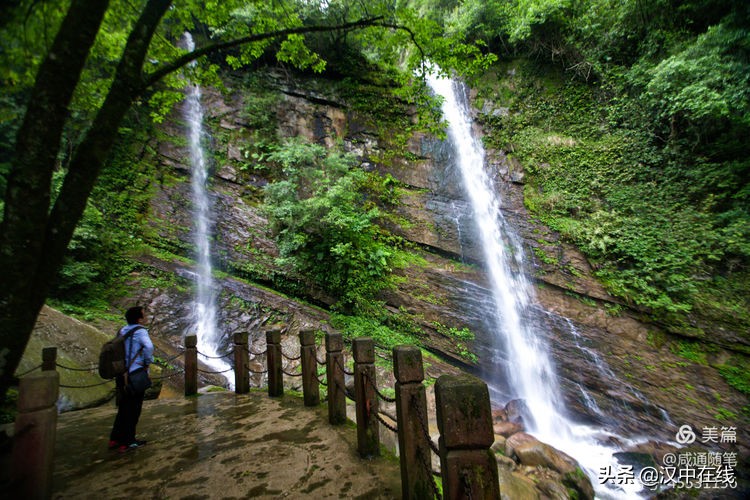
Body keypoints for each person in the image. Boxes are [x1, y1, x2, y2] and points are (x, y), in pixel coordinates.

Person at [108, 306, 154, 453]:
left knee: (123, 407)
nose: (146, 316)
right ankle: (128, 441)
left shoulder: (123, 330)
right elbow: (148, 346)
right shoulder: (140, 331)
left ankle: (115, 438)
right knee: (134, 408)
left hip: (122, 374)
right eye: (144, 315)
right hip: (135, 374)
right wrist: (147, 363)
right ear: (139, 319)